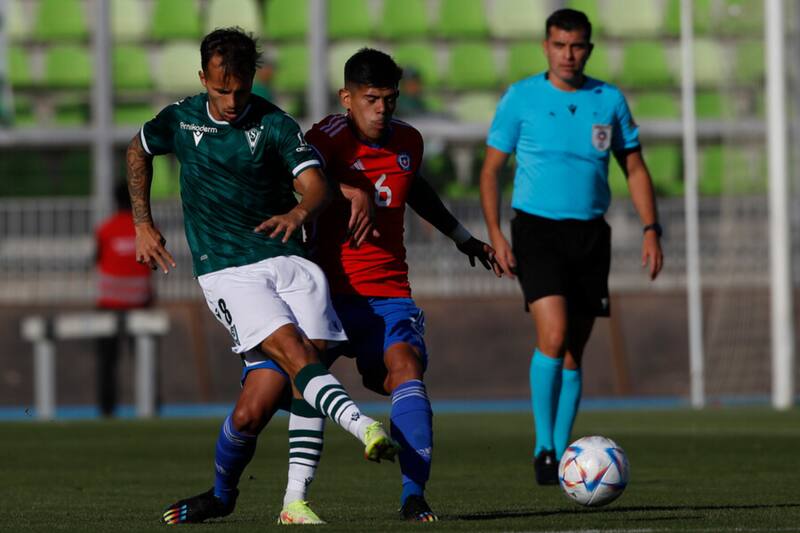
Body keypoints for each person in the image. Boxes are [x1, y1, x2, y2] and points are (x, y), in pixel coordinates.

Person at [125, 27, 399, 525]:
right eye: (220, 89)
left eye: (242, 89)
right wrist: (142, 223)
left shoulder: (274, 124)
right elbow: (137, 148)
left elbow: (316, 186)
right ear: (203, 77)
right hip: (228, 269)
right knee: (297, 353)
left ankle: (293, 501)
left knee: (261, 405)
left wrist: (299, 214)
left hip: (290, 260)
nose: (232, 101)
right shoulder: (181, 120)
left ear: (254, 78)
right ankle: (362, 427)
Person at [296, 47, 501, 522]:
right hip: (322, 293)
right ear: (346, 98)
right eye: (372, 99)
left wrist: (462, 238)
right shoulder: (322, 140)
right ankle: (227, 490)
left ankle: (413, 496)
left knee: (405, 370)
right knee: (269, 395)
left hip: (387, 292)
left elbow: (416, 190)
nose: (383, 109)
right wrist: (350, 190)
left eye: (390, 99)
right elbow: (294, 182)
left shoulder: (409, 140)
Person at [478, 9, 664, 486]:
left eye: (577, 45)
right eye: (559, 45)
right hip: (536, 231)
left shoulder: (609, 100)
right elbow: (490, 170)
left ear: (589, 49)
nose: (568, 54)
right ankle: (545, 446)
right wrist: (496, 234)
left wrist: (650, 229)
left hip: (589, 234)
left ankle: (563, 453)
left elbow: (635, 168)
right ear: (545, 46)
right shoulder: (521, 97)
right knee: (554, 335)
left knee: (575, 351)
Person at [94, 181, 154, 417]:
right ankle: (152, 404)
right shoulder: (147, 229)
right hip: (140, 301)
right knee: (145, 359)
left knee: (107, 362)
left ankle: (106, 408)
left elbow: (96, 258)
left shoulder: (104, 229)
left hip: (108, 304)